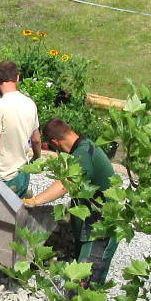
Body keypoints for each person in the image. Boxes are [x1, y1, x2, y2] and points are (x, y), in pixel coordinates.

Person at [22, 118, 119, 285]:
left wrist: (35, 201)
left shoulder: (83, 154)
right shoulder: (85, 145)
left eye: (53, 148)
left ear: (55, 142)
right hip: (91, 226)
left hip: (100, 232)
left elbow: (65, 184)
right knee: (78, 282)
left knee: (85, 284)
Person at [0, 60, 40, 195]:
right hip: (23, 174)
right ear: (18, 78)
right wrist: (36, 157)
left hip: (3, 178)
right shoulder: (30, 104)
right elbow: (36, 140)